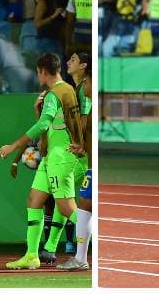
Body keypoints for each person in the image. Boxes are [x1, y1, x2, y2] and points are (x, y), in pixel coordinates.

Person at [0, 53, 84, 269]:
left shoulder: (54, 94)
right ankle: (32, 255)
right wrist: (39, 112)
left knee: (66, 208)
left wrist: (13, 146)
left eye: (38, 72)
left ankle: (99, 241)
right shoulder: (69, 89)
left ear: (43, 71)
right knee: (34, 200)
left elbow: (44, 125)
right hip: (52, 155)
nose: (38, 76)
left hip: (60, 156)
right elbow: (54, 124)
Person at [59, 52, 94, 271]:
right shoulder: (79, 89)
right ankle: (81, 258)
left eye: (73, 60)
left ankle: (82, 258)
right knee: (85, 205)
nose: (68, 62)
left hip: (89, 159)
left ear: (84, 66)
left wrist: (81, 144)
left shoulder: (83, 90)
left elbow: (85, 122)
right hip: (87, 156)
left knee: (85, 205)